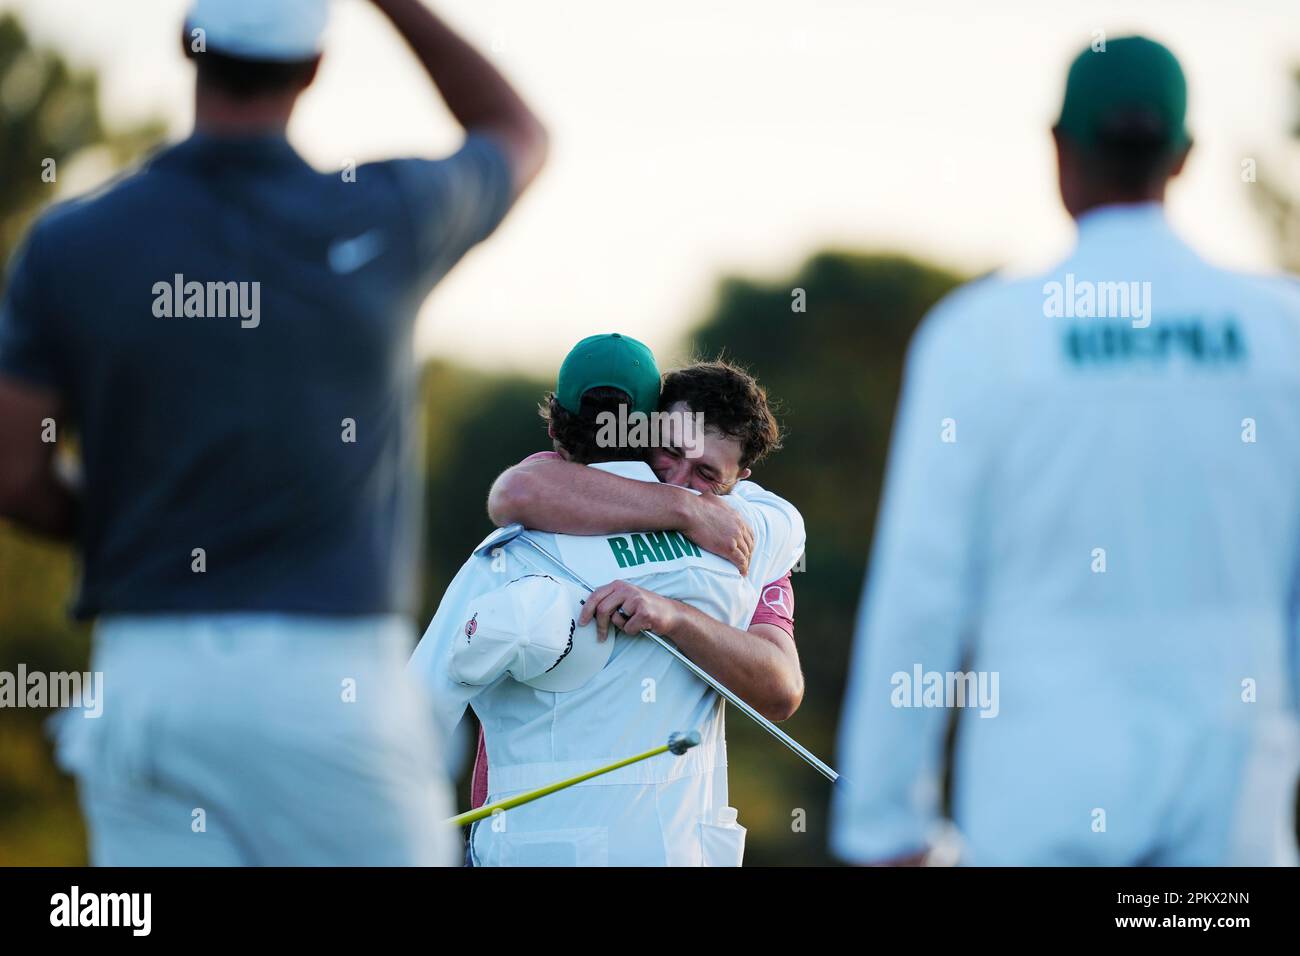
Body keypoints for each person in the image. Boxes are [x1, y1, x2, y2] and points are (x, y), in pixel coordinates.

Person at [0, 0, 546, 865]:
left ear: (189, 45)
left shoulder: (70, 243)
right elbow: (515, 129)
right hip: (327, 681)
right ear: (314, 66)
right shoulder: (387, 212)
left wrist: (137, 530)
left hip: (144, 677)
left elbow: (14, 477)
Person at [831, 35, 1300, 866]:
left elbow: (921, 595)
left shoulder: (980, 338)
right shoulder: (1281, 333)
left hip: (1036, 800)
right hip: (1233, 815)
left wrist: (883, 827)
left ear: (1060, 148)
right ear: (1184, 156)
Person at [408, 334, 806, 865]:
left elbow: (414, 719)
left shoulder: (507, 553)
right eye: (673, 454)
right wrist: (687, 512)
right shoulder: (747, 536)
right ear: (647, 429)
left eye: (707, 476)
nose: (685, 485)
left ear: (553, 430)